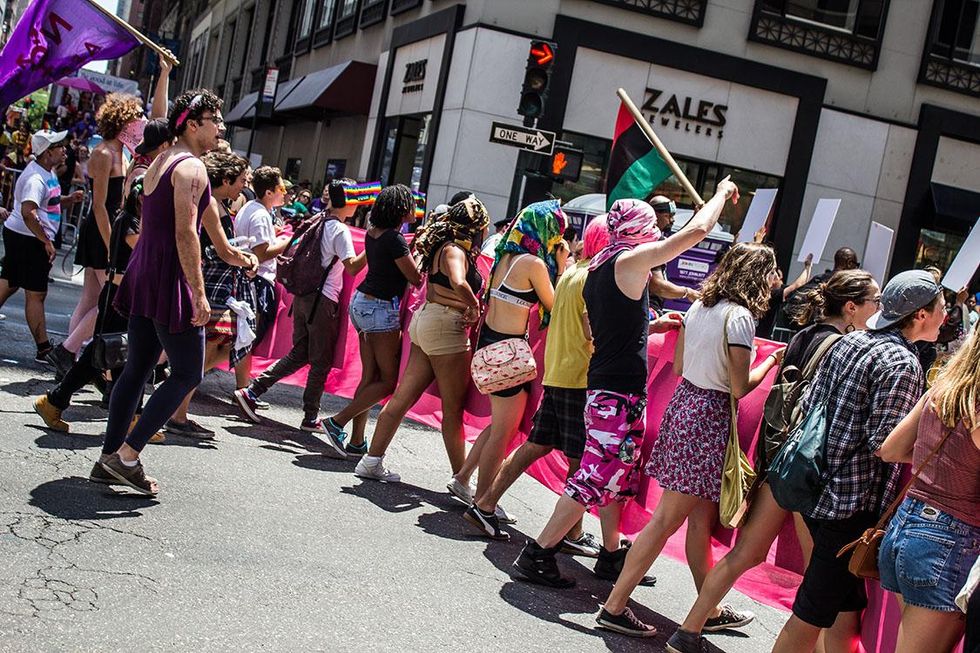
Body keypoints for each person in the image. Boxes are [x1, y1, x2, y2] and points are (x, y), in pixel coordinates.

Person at [511, 177, 739, 595]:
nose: (658, 235)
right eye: (652, 227)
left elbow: (602, 330)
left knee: (612, 477)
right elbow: (698, 232)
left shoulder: (604, 265)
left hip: (615, 390)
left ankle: (604, 553)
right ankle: (538, 552)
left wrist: (648, 326)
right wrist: (720, 196)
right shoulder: (625, 262)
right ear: (637, 231)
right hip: (614, 392)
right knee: (593, 477)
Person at [665, 269, 882, 653]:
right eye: (874, 302)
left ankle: (689, 630)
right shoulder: (842, 348)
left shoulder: (801, 337)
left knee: (743, 554)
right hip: (811, 472)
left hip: (780, 464)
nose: (878, 309)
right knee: (822, 575)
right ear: (851, 307)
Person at [593, 241, 782, 637]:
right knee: (665, 521)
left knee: (699, 519)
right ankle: (614, 606)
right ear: (758, 277)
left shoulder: (700, 307)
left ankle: (708, 608)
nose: (775, 280)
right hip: (709, 418)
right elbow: (737, 386)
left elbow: (679, 365)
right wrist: (768, 363)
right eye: (772, 272)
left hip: (684, 407)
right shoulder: (741, 318)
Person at [769, 269, 946, 652]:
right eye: (941, 308)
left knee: (844, 607)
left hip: (816, 488)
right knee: (810, 613)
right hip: (850, 506)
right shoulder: (902, 363)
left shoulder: (852, 341)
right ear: (919, 315)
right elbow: (887, 446)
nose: (945, 316)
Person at [461, 216, 622, 560]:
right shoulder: (585, 277)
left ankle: (484, 503)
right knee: (577, 460)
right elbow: (591, 329)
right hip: (576, 376)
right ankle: (564, 536)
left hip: (554, 373)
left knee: (534, 444)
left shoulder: (567, 274)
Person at [95, 89, 223, 495]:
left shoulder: (161, 161)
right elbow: (187, 233)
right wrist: (199, 294)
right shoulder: (191, 169)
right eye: (213, 120)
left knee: (137, 369)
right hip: (170, 278)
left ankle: (108, 457)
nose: (219, 127)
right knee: (186, 371)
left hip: (146, 273)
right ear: (190, 123)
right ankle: (126, 457)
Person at [355, 197, 489, 482]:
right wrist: (474, 305)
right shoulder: (454, 250)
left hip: (426, 322)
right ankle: (462, 480)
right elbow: (458, 281)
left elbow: (437, 287)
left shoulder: (441, 245)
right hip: (445, 328)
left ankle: (371, 461)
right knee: (452, 411)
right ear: (475, 228)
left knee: (402, 398)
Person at [457, 199, 569, 530]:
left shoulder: (506, 256)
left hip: (492, 345)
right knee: (503, 433)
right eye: (556, 233)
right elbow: (557, 304)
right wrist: (561, 267)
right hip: (509, 353)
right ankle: (483, 501)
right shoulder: (533, 263)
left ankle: (463, 479)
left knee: (498, 427)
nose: (558, 240)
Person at [233, 178, 366, 453]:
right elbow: (352, 267)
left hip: (304, 297)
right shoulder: (339, 230)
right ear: (349, 202)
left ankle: (253, 390)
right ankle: (309, 416)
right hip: (323, 301)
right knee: (321, 360)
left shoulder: (318, 220)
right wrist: (371, 247)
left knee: (301, 352)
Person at [874, 324, 979, 653]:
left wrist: (940, 468)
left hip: (905, 528)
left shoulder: (943, 388)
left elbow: (890, 449)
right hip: (947, 541)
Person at [33, 178, 162, 444]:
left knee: (109, 357)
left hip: (126, 297)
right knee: (114, 355)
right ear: (141, 198)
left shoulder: (131, 219)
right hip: (119, 297)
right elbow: (147, 252)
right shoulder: (129, 221)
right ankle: (130, 418)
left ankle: (57, 401)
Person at [53, 86, 166, 376]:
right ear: (122, 120)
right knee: (108, 301)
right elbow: (100, 205)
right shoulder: (104, 152)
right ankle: (69, 349)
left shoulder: (122, 152)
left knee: (92, 299)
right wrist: (110, 244)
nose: (141, 120)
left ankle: (69, 354)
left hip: (108, 230)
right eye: (136, 116)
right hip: (102, 230)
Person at [322, 183, 421, 454]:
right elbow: (415, 278)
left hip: (362, 303)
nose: (415, 209)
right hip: (379, 309)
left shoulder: (374, 233)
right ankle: (336, 422)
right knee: (387, 381)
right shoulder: (394, 239)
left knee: (370, 377)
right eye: (411, 204)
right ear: (401, 209)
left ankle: (356, 442)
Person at [167, 151, 258, 438]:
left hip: (218, 284)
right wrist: (249, 260)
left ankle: (176, 402)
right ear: (226, 179)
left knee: (216, 348)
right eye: (240, 180)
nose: (243, 186)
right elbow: (223, 250)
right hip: (211, 284)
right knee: (206, 350)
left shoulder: (216, 203)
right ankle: (175, 409)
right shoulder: (210, 204)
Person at [0, 130, 84, 361]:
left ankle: (44, 347)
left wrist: (69, 200)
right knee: (36, 294)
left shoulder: (48, 172)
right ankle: (44, 348)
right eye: (59, 146)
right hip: (29, 239)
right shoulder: (35, 179)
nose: (64, 149)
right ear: (47, 153)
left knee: (10, 282)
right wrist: (46, 241)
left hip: (24, 237)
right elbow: (29, 212)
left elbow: (48, 205)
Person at [232, 166, 292, 392]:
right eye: (281, 188)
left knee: (245, 335)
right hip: (258, 280)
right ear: (269, 192)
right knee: (247, 335)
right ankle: (242, 389)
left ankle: (243, 387)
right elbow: (261, 252)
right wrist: (289, 241)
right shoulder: (259, 214)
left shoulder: (252, 208)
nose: (284, 192)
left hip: (252, 278)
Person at [646, 195, 699, 313]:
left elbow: (678, 241)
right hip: (648, 310)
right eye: (667, 216)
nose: (672, 220)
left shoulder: (648, 237)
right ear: (654, 215)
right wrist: (687, 292)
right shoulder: (653, 242)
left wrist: (696, 217)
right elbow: (657, 286)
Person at [756, 254, 813, 339]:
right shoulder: (770, 294)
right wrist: (808, 267)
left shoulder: (762, 291)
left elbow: (799, 285)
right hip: (759, 339)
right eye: (772, 273)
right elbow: (797, 285)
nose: (775, 275)